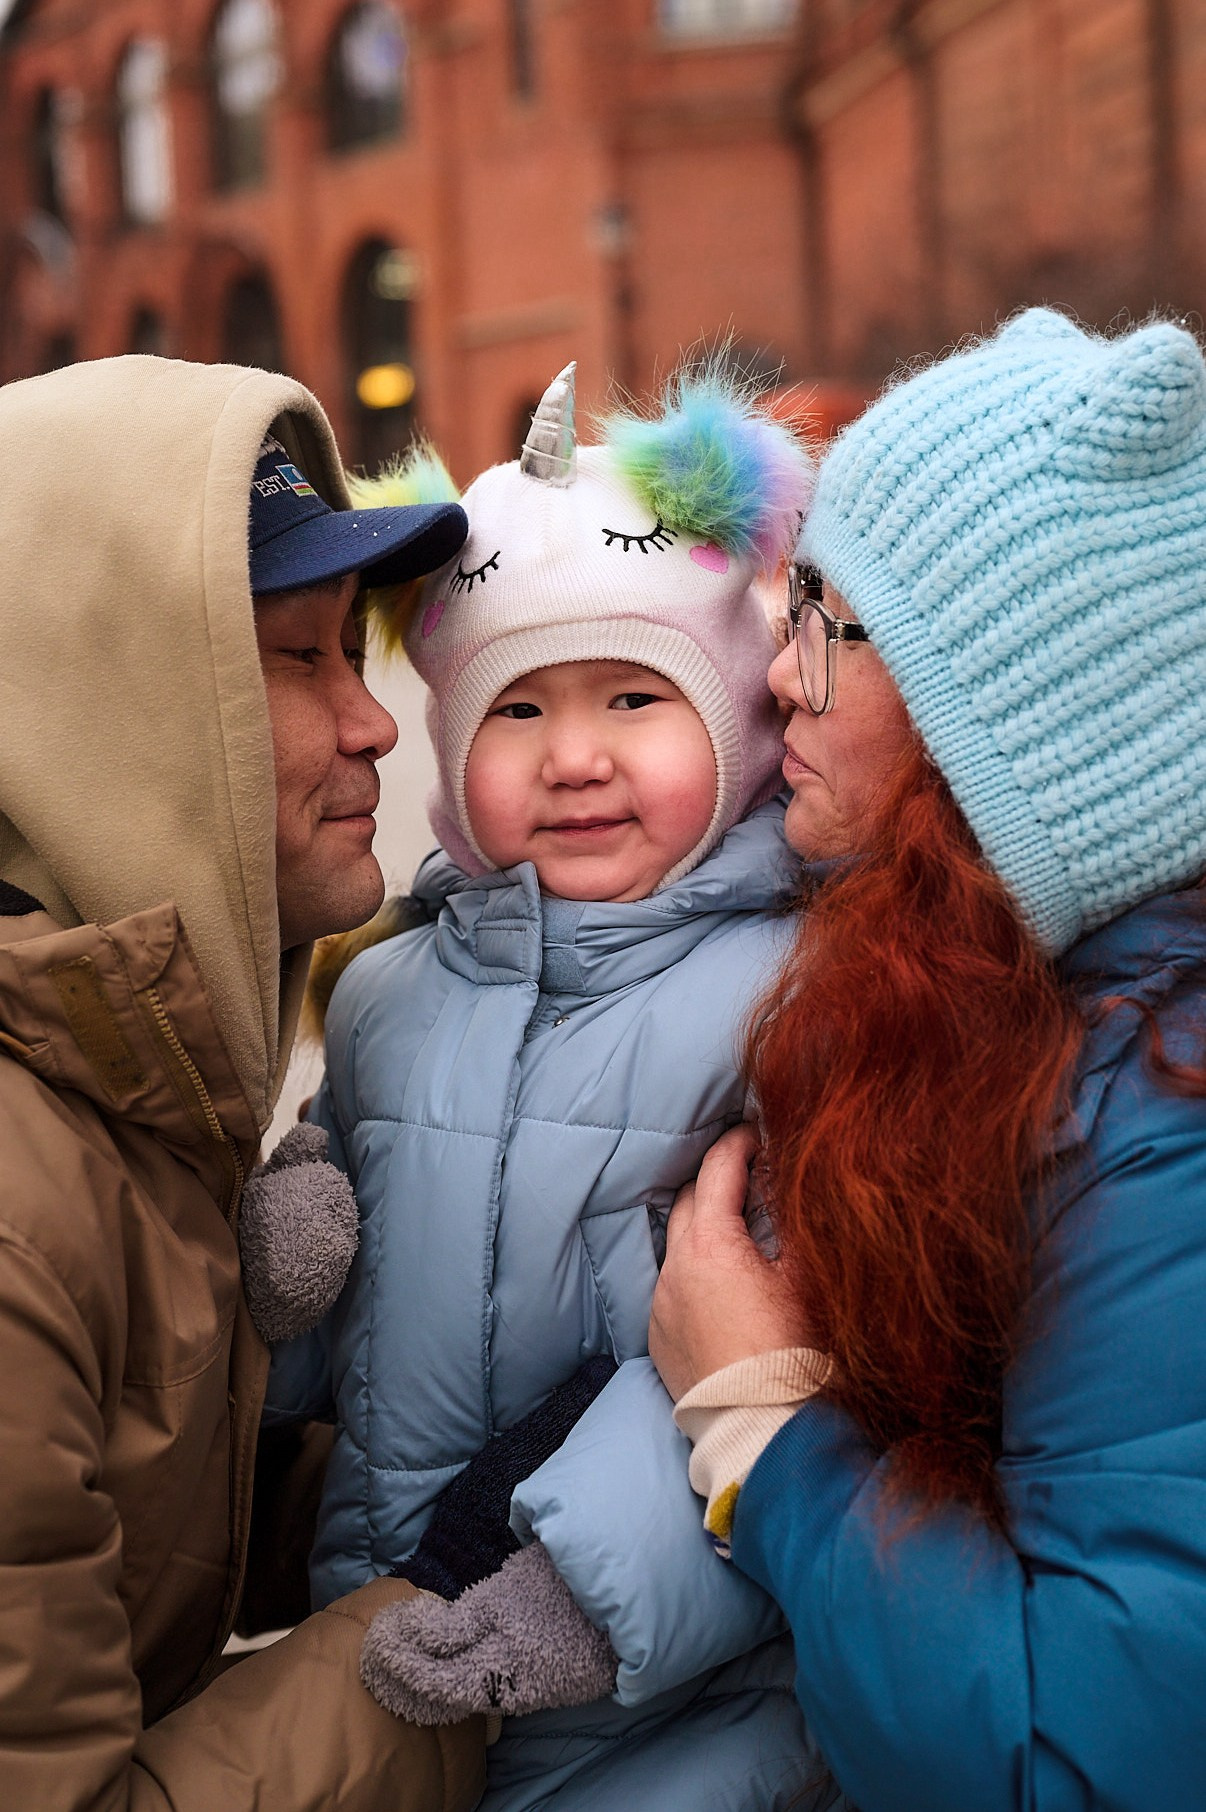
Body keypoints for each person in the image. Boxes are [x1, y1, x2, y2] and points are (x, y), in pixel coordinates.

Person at [648, 308, 1206, 1810]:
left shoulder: (1163, 1126)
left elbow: (1079, 1765)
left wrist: (758, 1428)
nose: (773, 677)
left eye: (825, 617)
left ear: (1013, 706)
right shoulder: (1042, 1014)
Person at [259, 364, 824, 1809]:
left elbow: (801, 1333)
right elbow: (366, 1350)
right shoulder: (385, 998)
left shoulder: (796, 998)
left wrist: (583, 1585)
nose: (574, 758)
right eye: (516, 712)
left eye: (635, 698)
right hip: (399, 1662)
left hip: (695, 1695)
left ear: (735, 728)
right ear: (454, 752)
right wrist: (281, 1279)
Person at [0, 352, 487, 1810]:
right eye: (298, 657)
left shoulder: (111, 1089)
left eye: (362, 649)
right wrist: (442, 1639)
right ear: (116, 705)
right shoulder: (21, 1212)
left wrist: (473, 1480)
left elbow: (121, 1516)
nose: (376, 724)